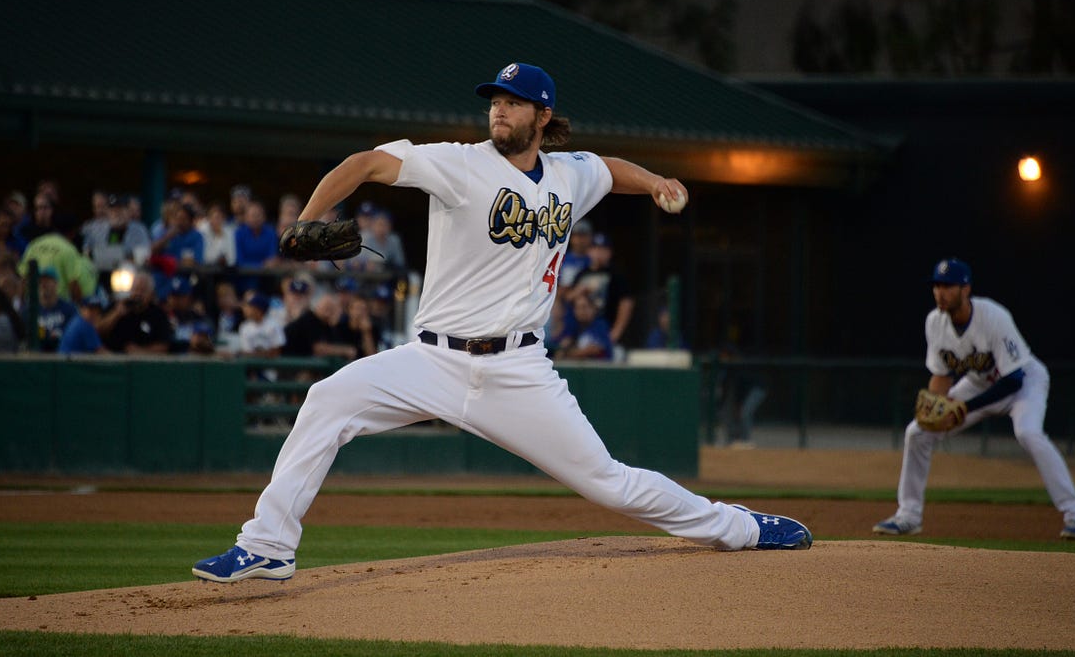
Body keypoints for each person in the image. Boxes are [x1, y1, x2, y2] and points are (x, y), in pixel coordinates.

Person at [192, 61, 811, 583]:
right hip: (433, 360)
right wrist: (307, 216)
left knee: (609, 483)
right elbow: (366, 163)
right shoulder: (460, 164)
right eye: (496, 100)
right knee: (327, 400)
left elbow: (610, 168)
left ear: (542, 117)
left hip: (518, 368)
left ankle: (742, 527)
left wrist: (655, 183)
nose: (500, 111)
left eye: (515, 103)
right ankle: (268, 547)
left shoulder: (569, 175)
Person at [873, 258, 1075, 540]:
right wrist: (934, 404)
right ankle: (908, 516)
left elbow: (1012, 379)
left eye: (948, 286)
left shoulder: (993, 316)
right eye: (936, 286)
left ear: (966, 289)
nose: (940, 292)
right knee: (917, 433)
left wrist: (964, 407)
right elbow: (941, 375)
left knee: (1028, 433)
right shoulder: (935, 322)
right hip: (979, 385)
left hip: (1025, 382)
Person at [570, 232, 635, 349]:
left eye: (603, 249)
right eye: (595, 249)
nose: (598, 253)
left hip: (607, 327)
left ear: (609, 253)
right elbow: (568, 299)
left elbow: (626, 304)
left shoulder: (616, 274)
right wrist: (579, 291)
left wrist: (615, 333)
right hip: (583, 330)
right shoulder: (582, 273)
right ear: (589, 251)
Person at [98, 271, 174, 355]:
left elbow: (163, 346)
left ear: (151, 294)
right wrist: (116, 314)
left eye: (142, 291)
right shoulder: (118, 306)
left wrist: (139, 351)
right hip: (113, 360)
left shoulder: (158, 315)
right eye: (135, 289)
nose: (138, 294)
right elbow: (97, 331)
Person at [84, 194, 152, 273]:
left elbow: (143, 257)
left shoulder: (138, 229)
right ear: (107, 212)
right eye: (113, 210)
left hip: (128, 275)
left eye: (121, 209)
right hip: (100, 274)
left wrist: (104, 256)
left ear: (128, 211)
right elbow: (87, 253)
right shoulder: (96, 228)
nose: (116, 213)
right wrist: (125, 256)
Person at [554, 290, 614, 360]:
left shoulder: (600, 325)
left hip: (599, 368)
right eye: (578, 308)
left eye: (584, 307)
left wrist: (569, 354)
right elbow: (560, 348)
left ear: (593, 308)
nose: (581, 312)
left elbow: (595, 349)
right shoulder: (573, 327)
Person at [34, 266, 79, 352]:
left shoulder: (69, 309)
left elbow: (74, 335)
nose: (43, 284)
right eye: (40, 282)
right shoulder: (30, 310)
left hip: (63, 357)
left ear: (56, 283)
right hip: (38, 358)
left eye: (47, 281)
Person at [58, 290, 110, 355]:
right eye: (91, 309)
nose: (94, 313)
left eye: (97, 310)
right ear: (82, 309)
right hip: (66, 363)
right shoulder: (83, 324)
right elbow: (101, 353)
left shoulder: (78, 321)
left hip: (67, 362)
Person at [197, 201, 237, 268]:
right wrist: (217, 259)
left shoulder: (229, 232)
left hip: (224, 271)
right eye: (213, 217)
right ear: (208, 218)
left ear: (224, 218)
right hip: (204, 271)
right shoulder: (202, 230)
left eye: (219, 217)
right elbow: (204, 257)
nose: (216, 220)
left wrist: (220, 235)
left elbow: (232, 259)